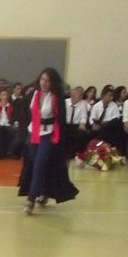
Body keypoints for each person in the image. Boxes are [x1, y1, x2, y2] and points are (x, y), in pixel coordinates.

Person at [17, 67, 79, 214]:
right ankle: (44, 192)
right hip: (33, 133)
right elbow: (25, 114)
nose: (44, 83)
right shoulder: (32, 94)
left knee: (40, 165)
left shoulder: (56, 98)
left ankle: (31, 200)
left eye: (48, 80)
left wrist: (63, 143)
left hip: (49, 135)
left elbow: (61, 119)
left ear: (53, 83)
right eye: (42, 79)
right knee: (35, 165)